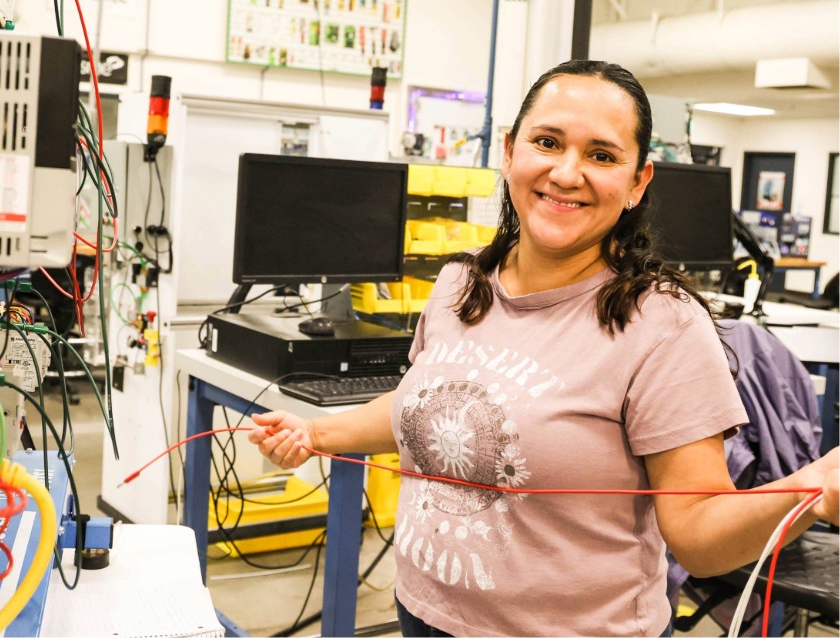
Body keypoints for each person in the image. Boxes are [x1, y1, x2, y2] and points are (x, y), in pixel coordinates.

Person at [248, 60, 839, 637]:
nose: (566, 172)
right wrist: (314, 435)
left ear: (637, 182)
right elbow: (419, 403)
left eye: (602, 155)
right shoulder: (460, 285)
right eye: (548, 142)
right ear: (509, 153)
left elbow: (698, 533)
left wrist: (812, 490)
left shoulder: (662, 324)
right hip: (423, 613)